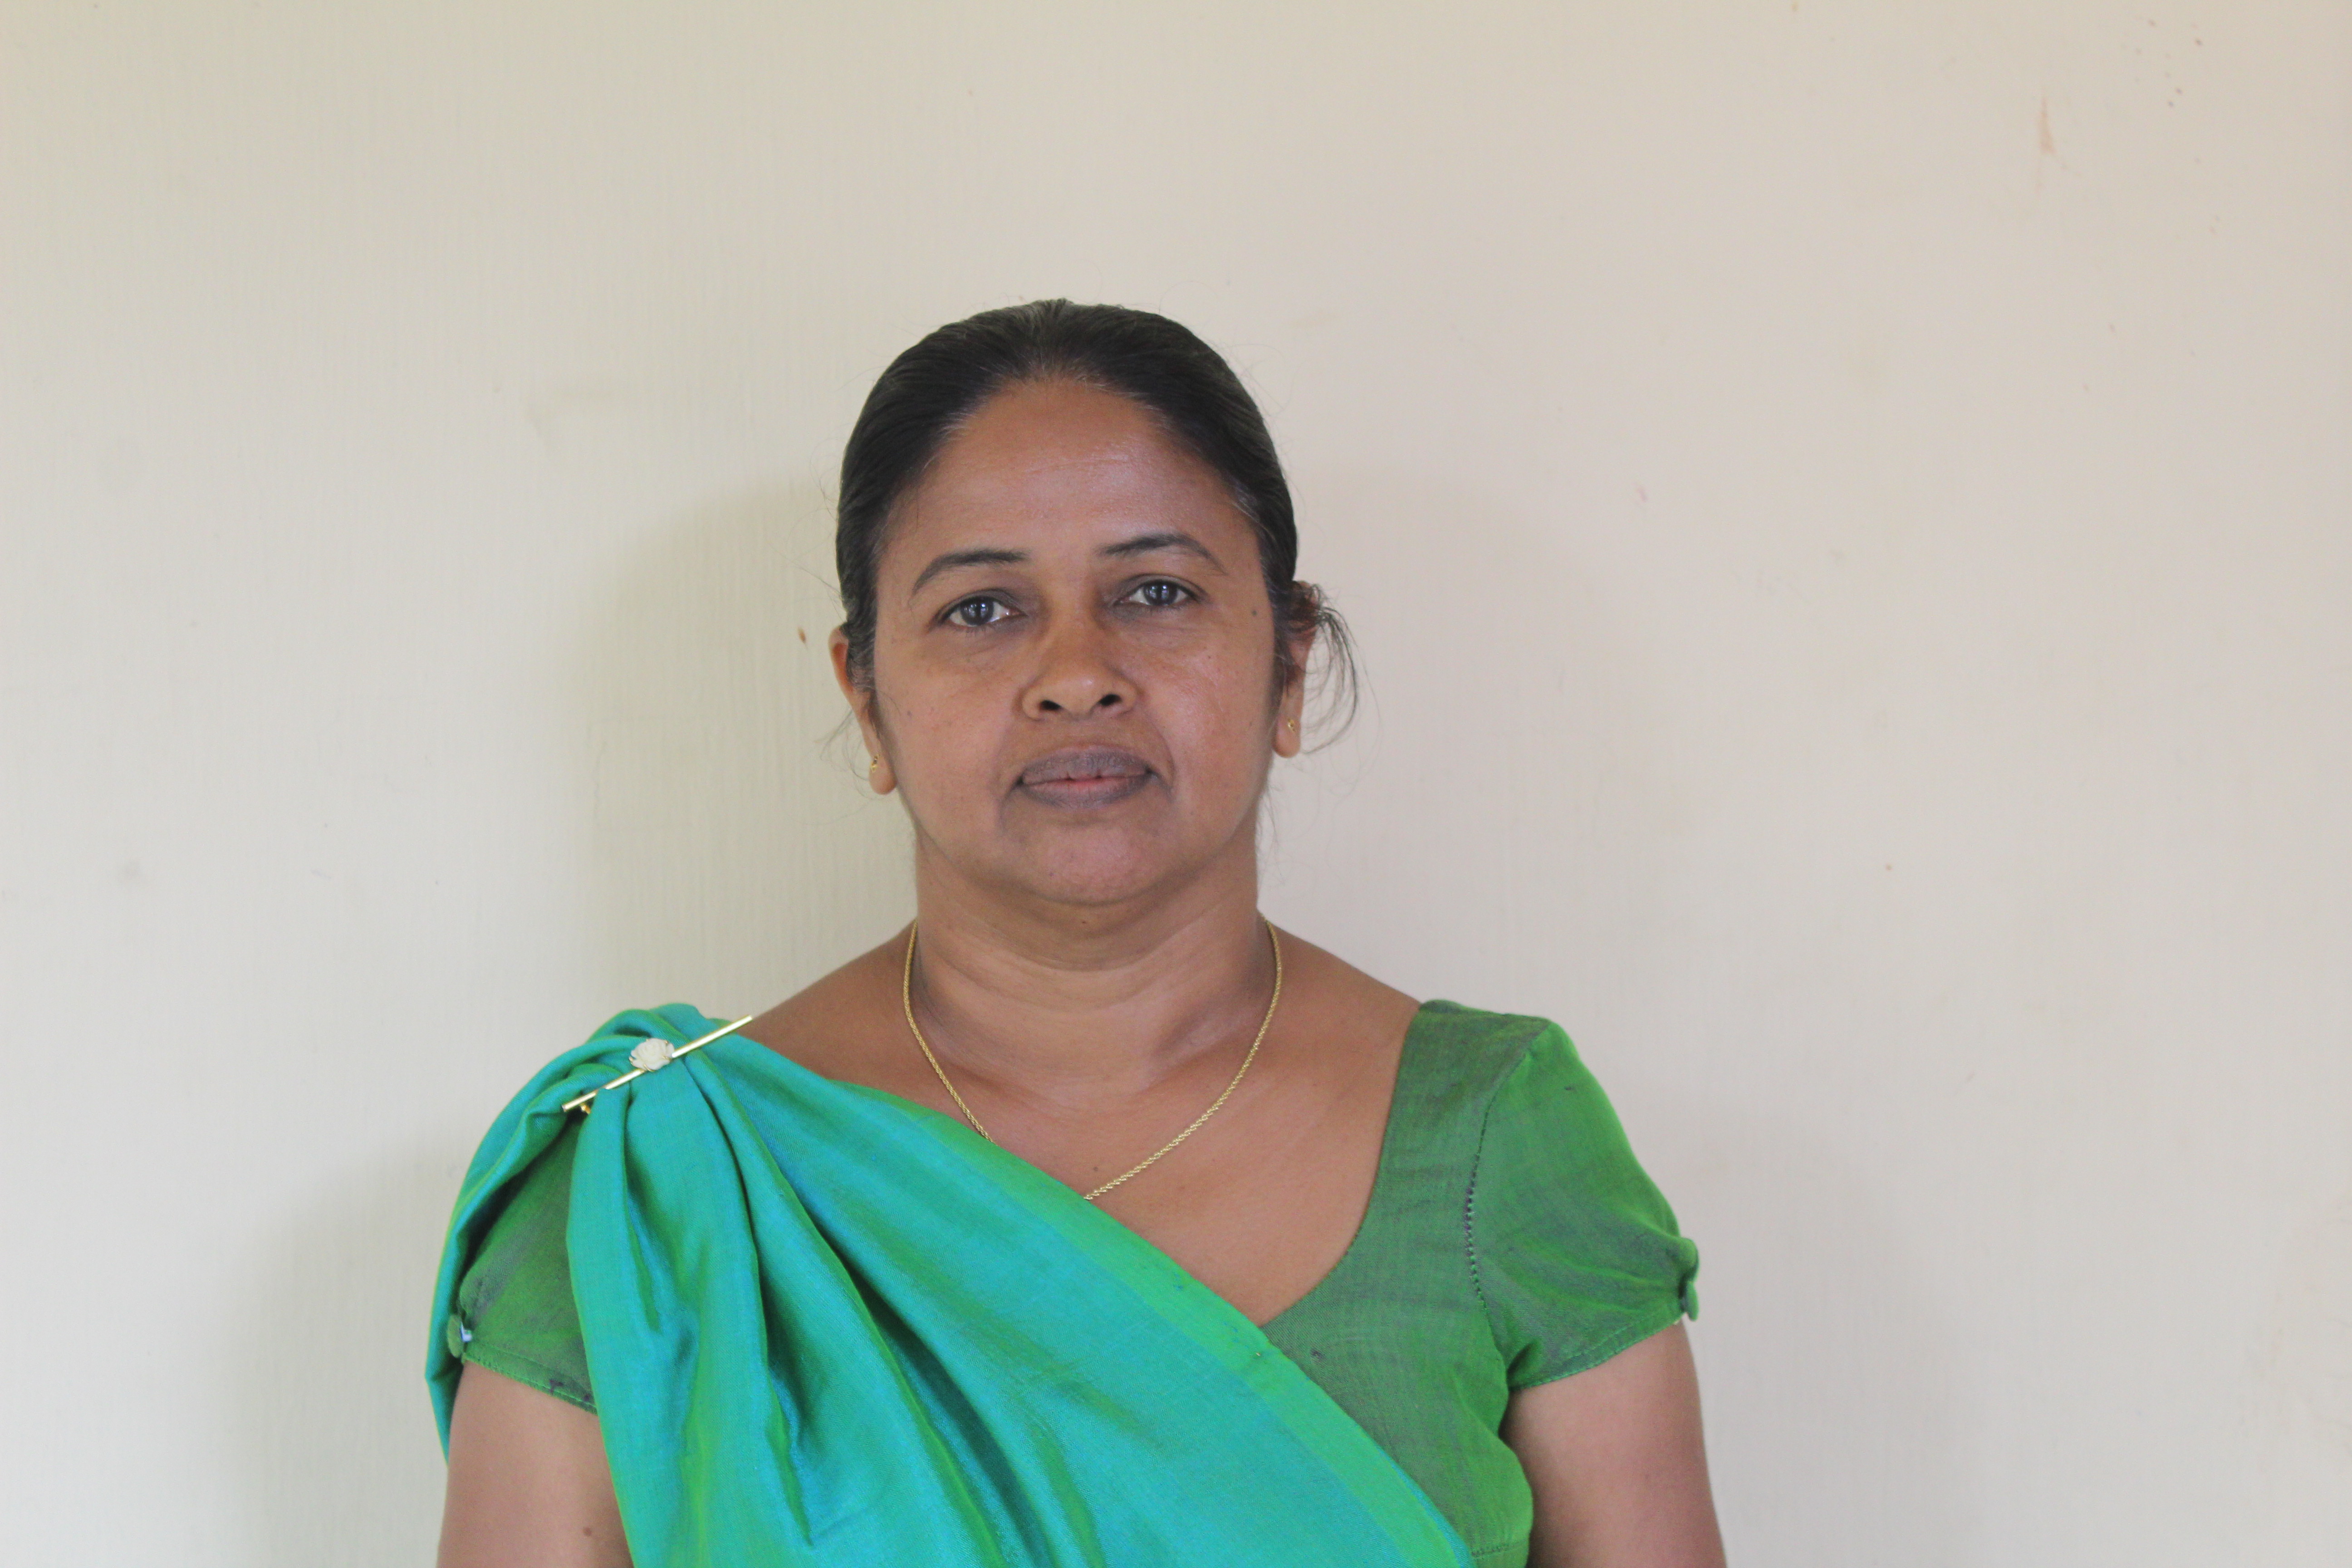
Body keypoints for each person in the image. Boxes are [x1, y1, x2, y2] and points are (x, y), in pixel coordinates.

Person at [429, 300, 1724, 1568]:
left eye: (1156, 591)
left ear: (1287, 667)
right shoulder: (659, 1190)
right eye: (981, 610)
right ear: (867, 698)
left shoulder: (1496, 1138)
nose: (1076, 673)